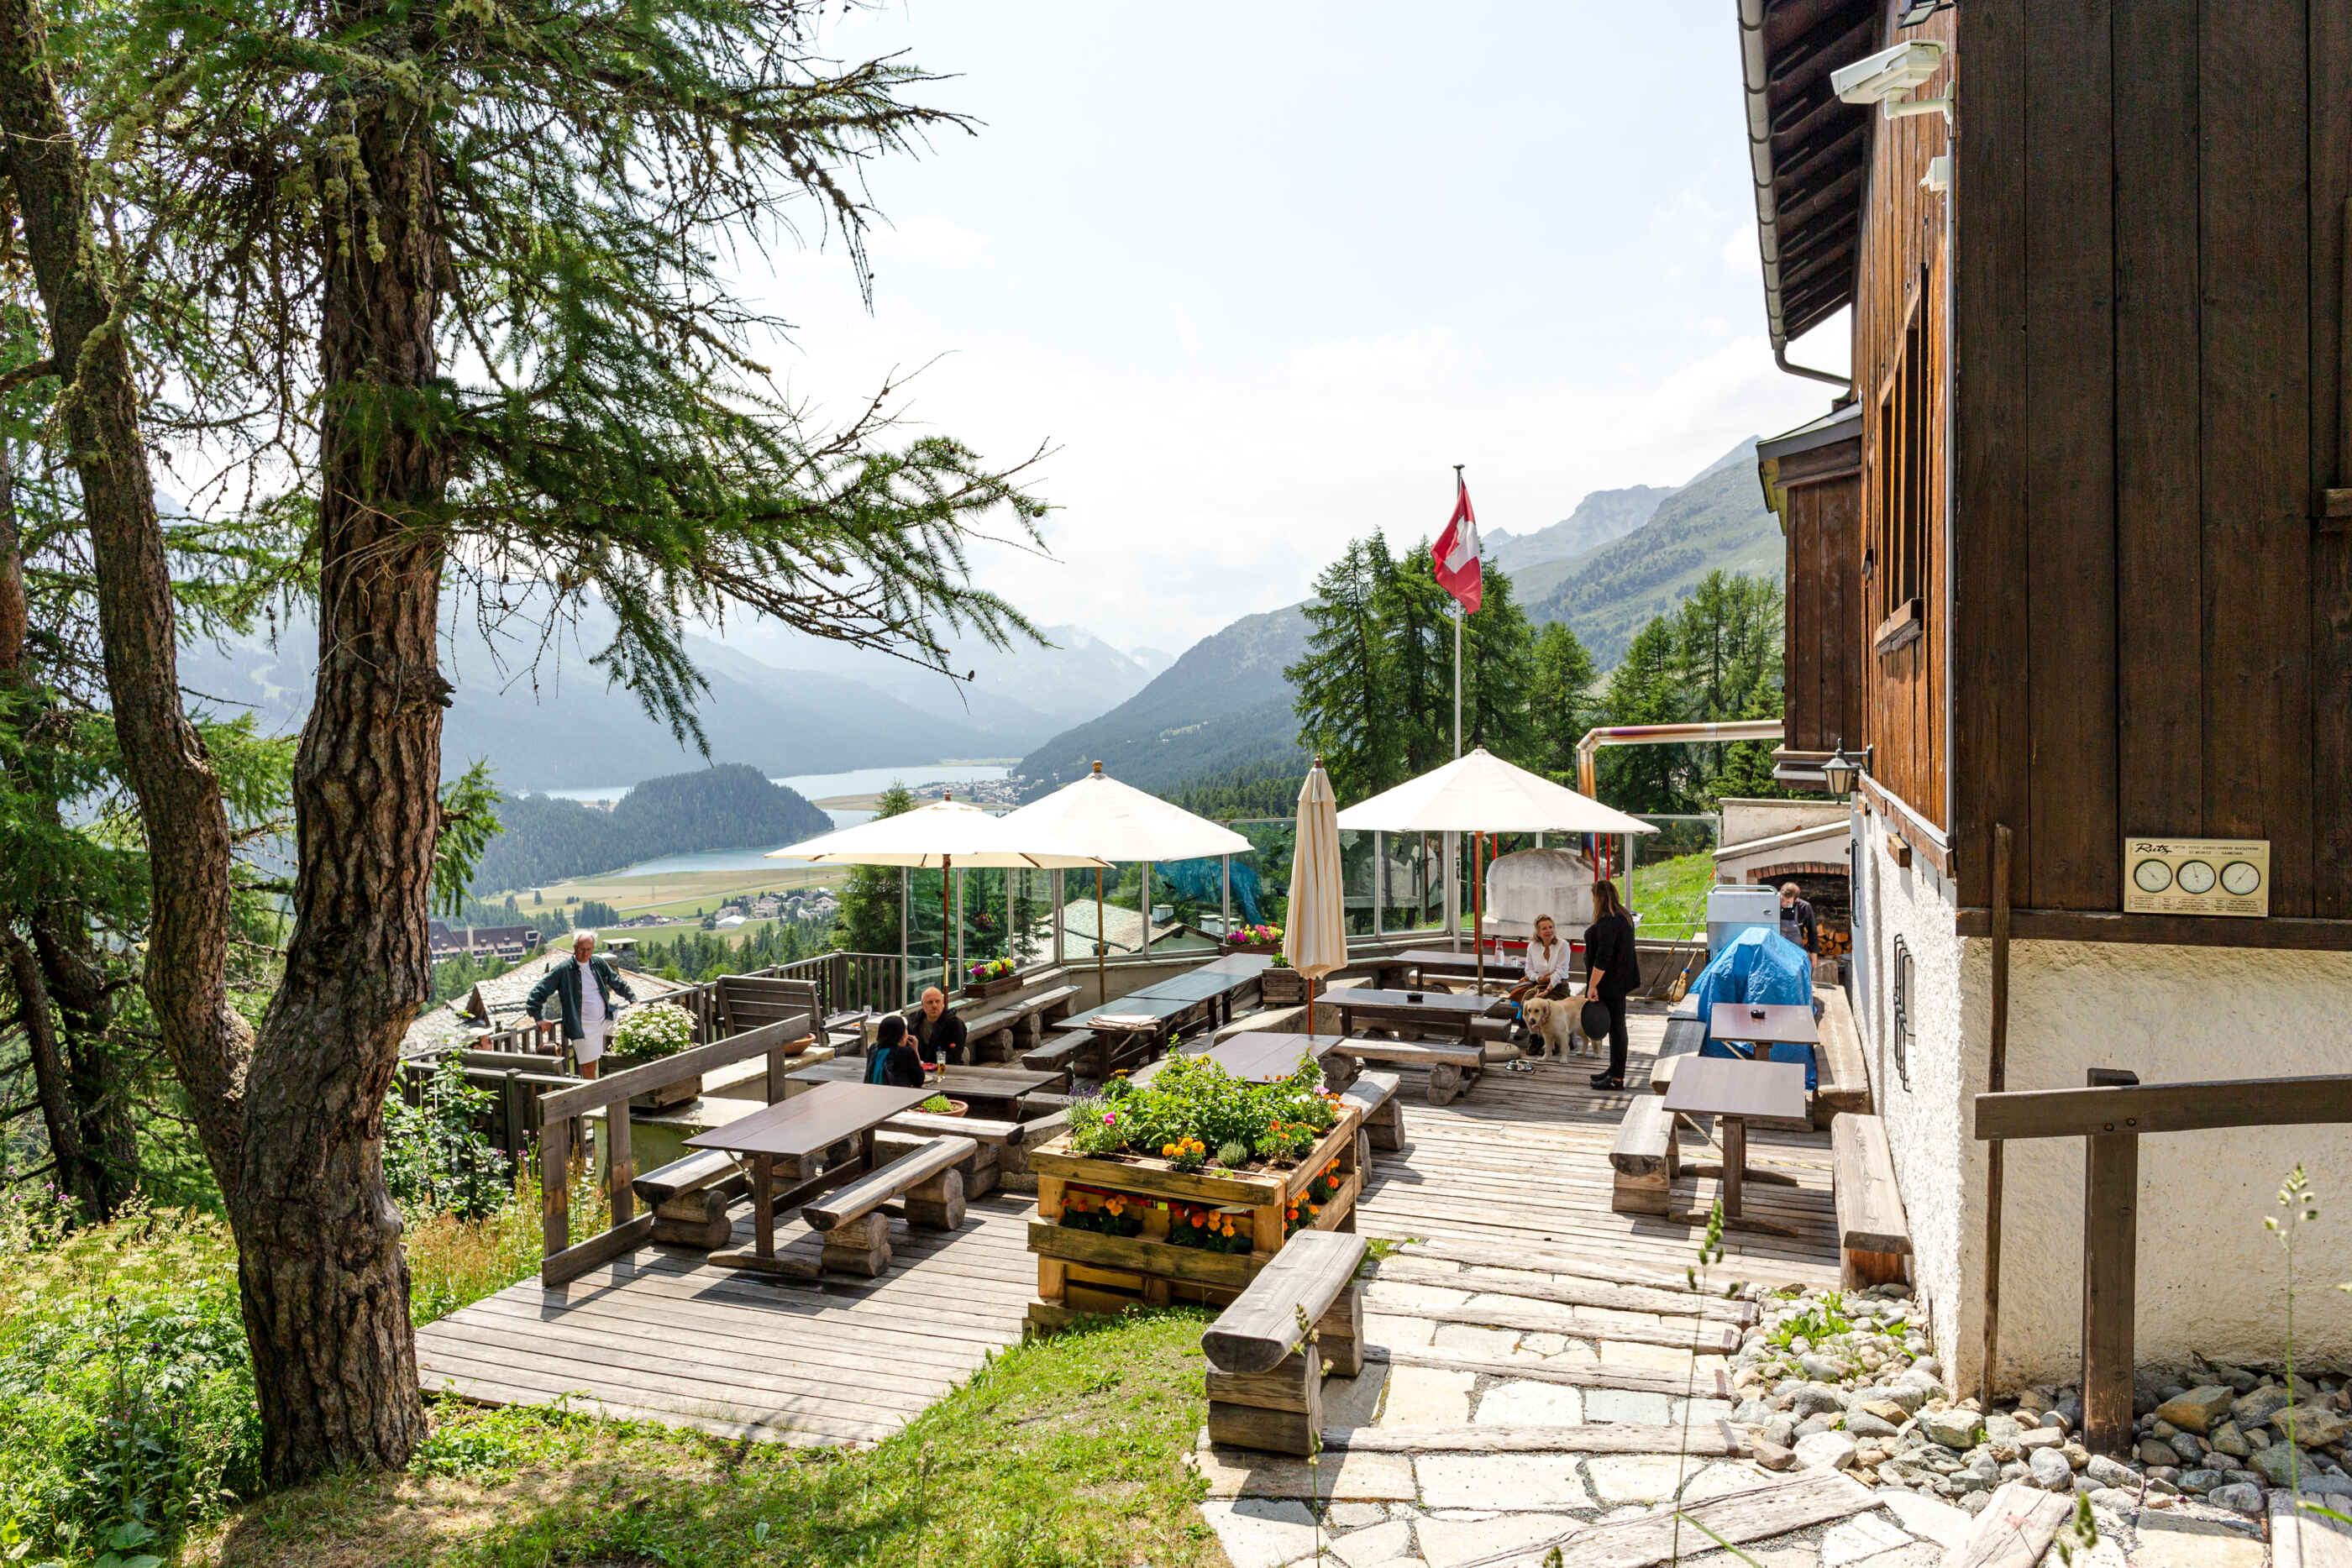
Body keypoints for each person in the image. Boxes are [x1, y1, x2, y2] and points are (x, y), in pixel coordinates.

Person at [524, 931, 637, 1080]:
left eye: (589, 949)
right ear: (575, 948)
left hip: (606, 1017)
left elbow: (617, 981)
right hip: (582, 1027)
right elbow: (538, 992)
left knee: (637, 1027)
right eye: (582, 949)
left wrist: (634, 1000)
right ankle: (593, 1101)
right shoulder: (563, 970)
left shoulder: (598, 963)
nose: (585, 953)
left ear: (593, 948)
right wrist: (539, 1018)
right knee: (589, 1068)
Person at [1583, 880, 1642, 1090]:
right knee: (1617, 1027)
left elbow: (1603, 958)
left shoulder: (1608, 921)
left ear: (1598, 898)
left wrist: (1592, 985)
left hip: (1610, 983)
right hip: (1621, 981)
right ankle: (1614, 1070)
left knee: (1616, 1028)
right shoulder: (1624, 917)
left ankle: (1617, 1078)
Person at [1504, 913, 1573, 1068]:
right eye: (1544, 928)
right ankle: (1535, 1037)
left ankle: (1554, 1039)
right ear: (1538, 932)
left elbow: (1561, 971)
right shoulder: (1533, 946)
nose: (1549, 931)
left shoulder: (1563, 945)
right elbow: (1528, 970)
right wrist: (1538, 979)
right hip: (1539, 984)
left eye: (1551, 927)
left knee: (1551, 1005)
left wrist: (1548, 988)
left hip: (1559, 986)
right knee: (1527, 1001)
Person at [911, 986, 969, 1067]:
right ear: (923, 1004)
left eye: (937, 1001)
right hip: (921, 1069)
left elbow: (954, 1057)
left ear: (943, 1003)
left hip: (946, 1069)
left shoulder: (954, 1024)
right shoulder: (915, 1022)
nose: (934, 1005)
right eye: (930, 1002)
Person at [864, 1013, 927, 1088]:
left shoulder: (873, 1048)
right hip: (897, 1096)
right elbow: (919, 1080)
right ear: (902, 1035)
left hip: (871, 1092)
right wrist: (915, 1050)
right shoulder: (906, 1053)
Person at [1778, 883, 1819, 955]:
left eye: (1788, 902)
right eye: (1782, 900)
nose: (1783, 904)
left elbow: (1812, 931)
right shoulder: (1773, 903)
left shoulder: (1804, 907)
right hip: (1778, 949)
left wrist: (1814, 952)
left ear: (1796, 900)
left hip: (1796, 951)